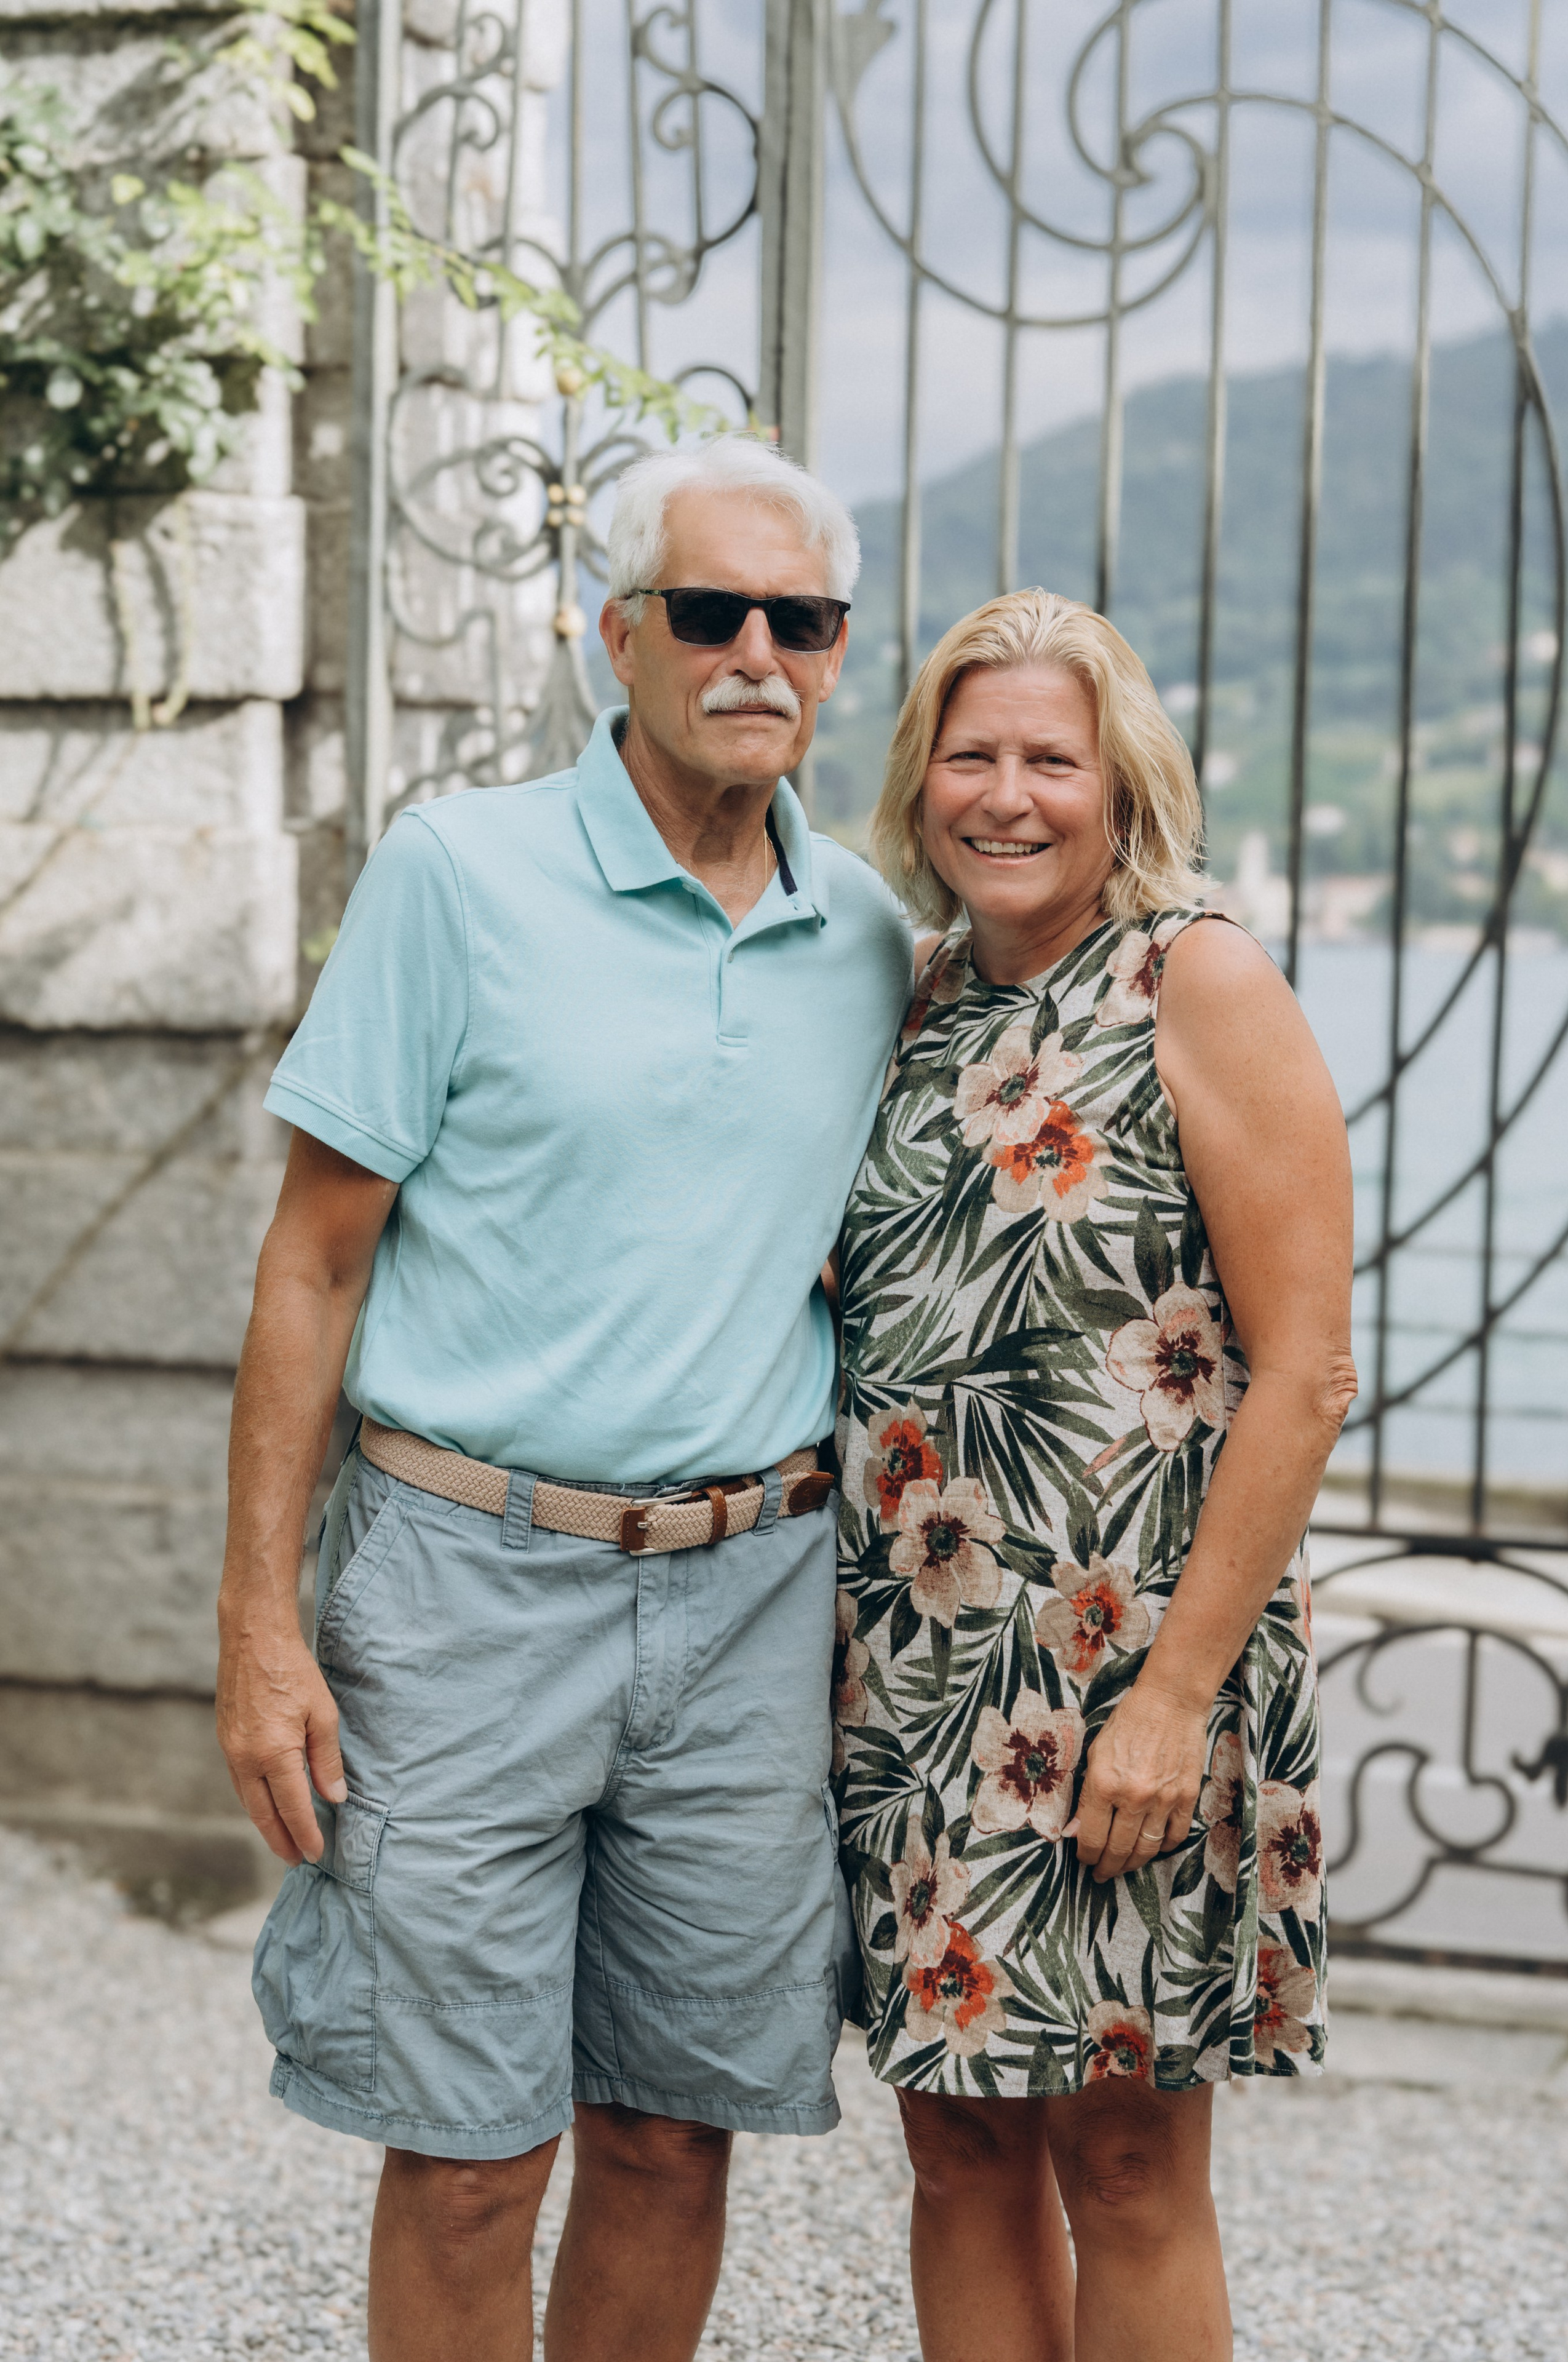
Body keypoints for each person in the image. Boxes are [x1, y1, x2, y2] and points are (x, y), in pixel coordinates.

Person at [215, 435, 913, 2362]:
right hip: (460, 1590)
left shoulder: (864, 936)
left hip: (754, 1597)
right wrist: (261, 1627)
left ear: (839, 652)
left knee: (676, 2137)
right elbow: (313, 1264)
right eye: (712, 612)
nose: (759, 650)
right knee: (460, 2158)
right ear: (622, 635)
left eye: (804, 618)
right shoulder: (456, 874)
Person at [833, 589, 1355, 2362]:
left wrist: (1175, 1698)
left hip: (1133, 1681)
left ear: (1121, 786)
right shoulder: (905, 1004)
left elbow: (1304, 1373)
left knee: (1124, 2164)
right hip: (917, 1681)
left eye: (1050, 758)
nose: (1008, 794)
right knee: (956, 2148)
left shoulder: (1194, 975)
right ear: (917, 787)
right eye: (969, 756)